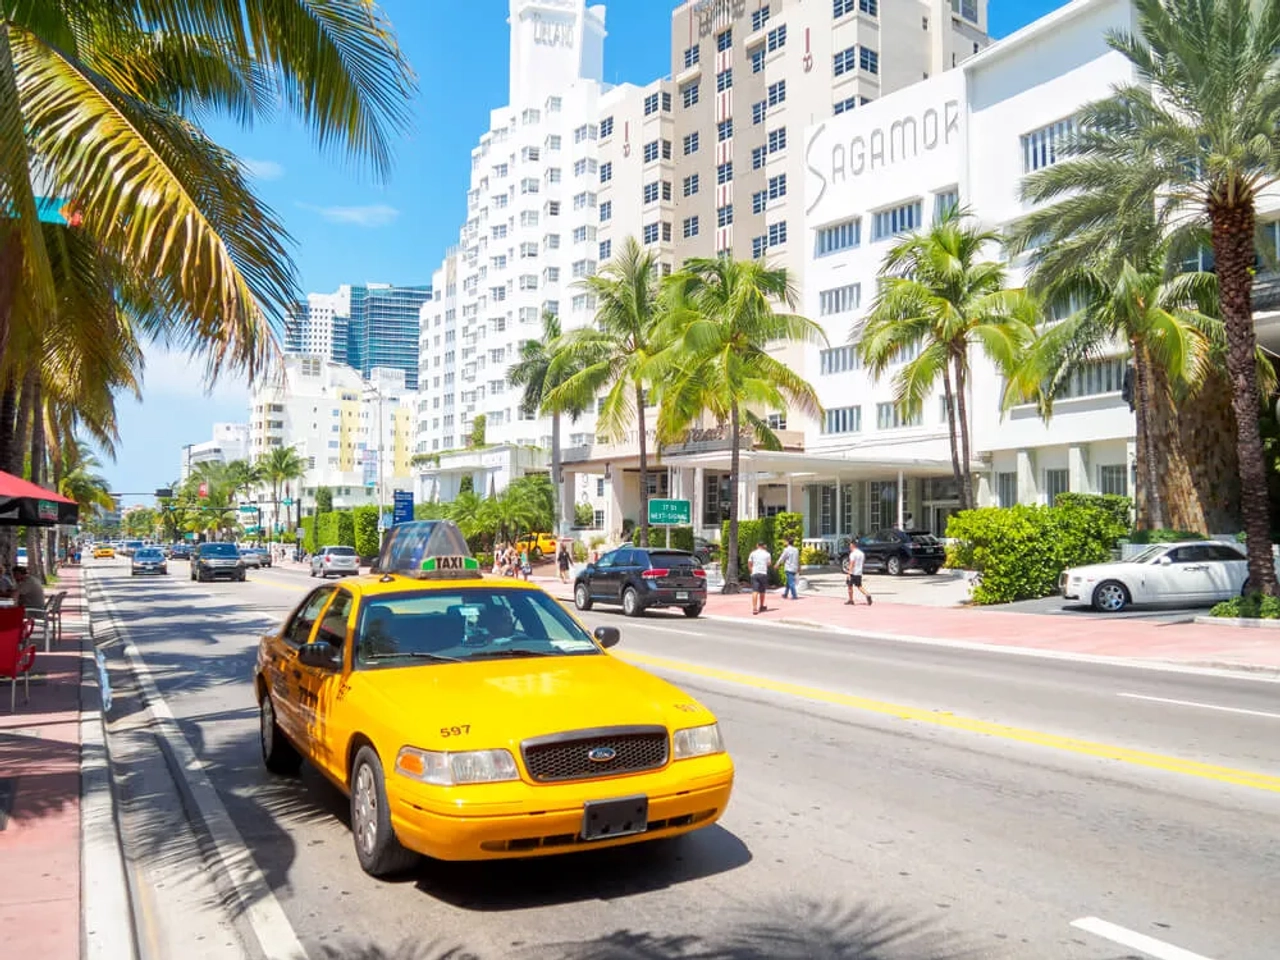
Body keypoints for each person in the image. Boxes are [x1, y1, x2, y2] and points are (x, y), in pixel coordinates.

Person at [844, 540, 873, 606]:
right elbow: (862, 563)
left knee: (849, 586)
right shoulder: (861, 553)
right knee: (859, 586)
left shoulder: (853, 554)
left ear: (853, 545)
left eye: (850, 546)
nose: (849, 547)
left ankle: (851, 600)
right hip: (859, 572)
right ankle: (867, 595)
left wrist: (848, 573)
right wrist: (860, 570)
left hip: (853, 572)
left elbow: (852, 564)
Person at [747, 540, 772, 615]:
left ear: (757, 545)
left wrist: (751, 571)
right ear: (764, 546)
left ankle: (754, 608)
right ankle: (761, 606)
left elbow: (749, 563)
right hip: (763, 573)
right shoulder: (767, 554)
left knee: (755, 591)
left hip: (755, 573)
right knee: (762, 591)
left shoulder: (753, 553)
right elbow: (769, 563)